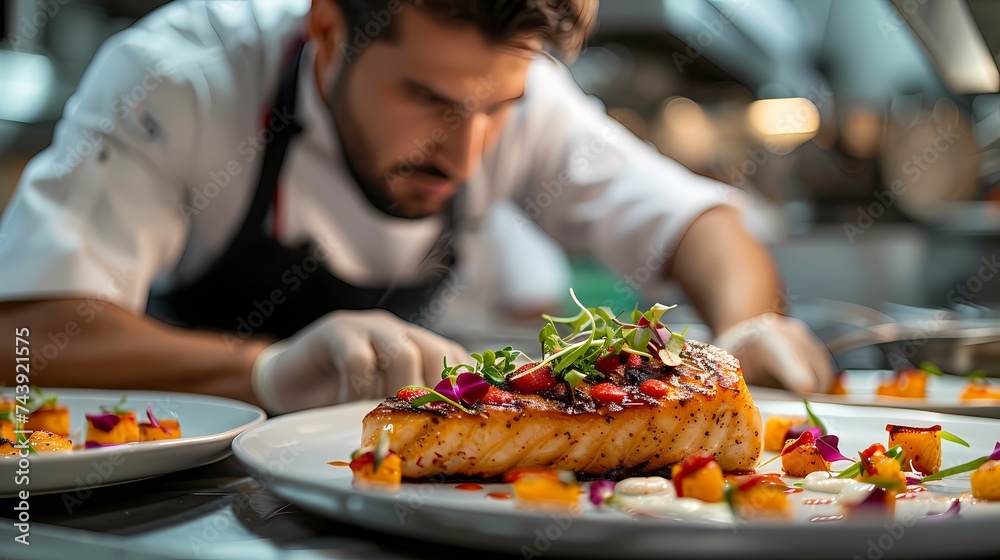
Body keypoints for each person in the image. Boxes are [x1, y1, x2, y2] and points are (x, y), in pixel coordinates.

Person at [0, 0, 833, 415]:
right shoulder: (181, 77)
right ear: (328, 29)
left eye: (496, 110)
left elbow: (701, 225)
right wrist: (257, 372)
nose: (467, 151)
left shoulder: (522, 99)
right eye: (428, 100)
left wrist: (748, 326)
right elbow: (26, 338)